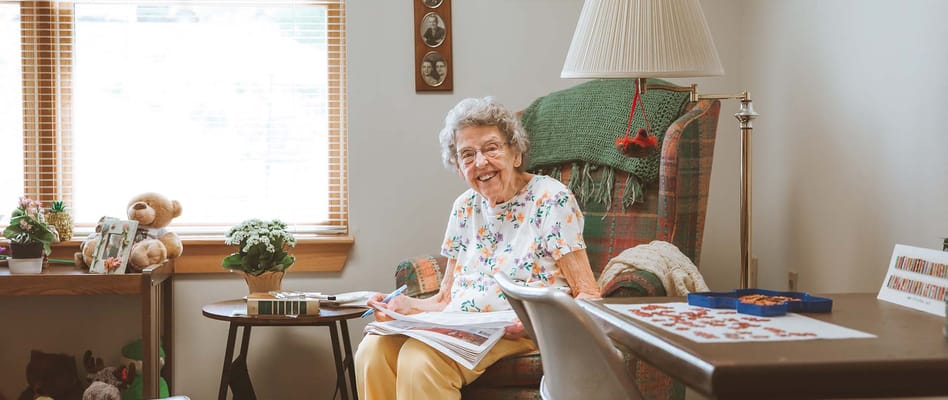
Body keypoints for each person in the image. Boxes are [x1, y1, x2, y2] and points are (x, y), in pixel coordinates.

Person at [355, 97, 602, 400]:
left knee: (419, 361)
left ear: (515, 153)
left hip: (521, 330)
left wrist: (530, 323)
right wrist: (406, 308)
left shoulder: (551, 199)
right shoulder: (464, 208)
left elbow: (587, 292)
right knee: (372, 350)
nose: (481, 162)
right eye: (467, 155)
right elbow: (447, 298)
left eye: (491, 148)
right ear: (459, 167)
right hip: (462, 326)